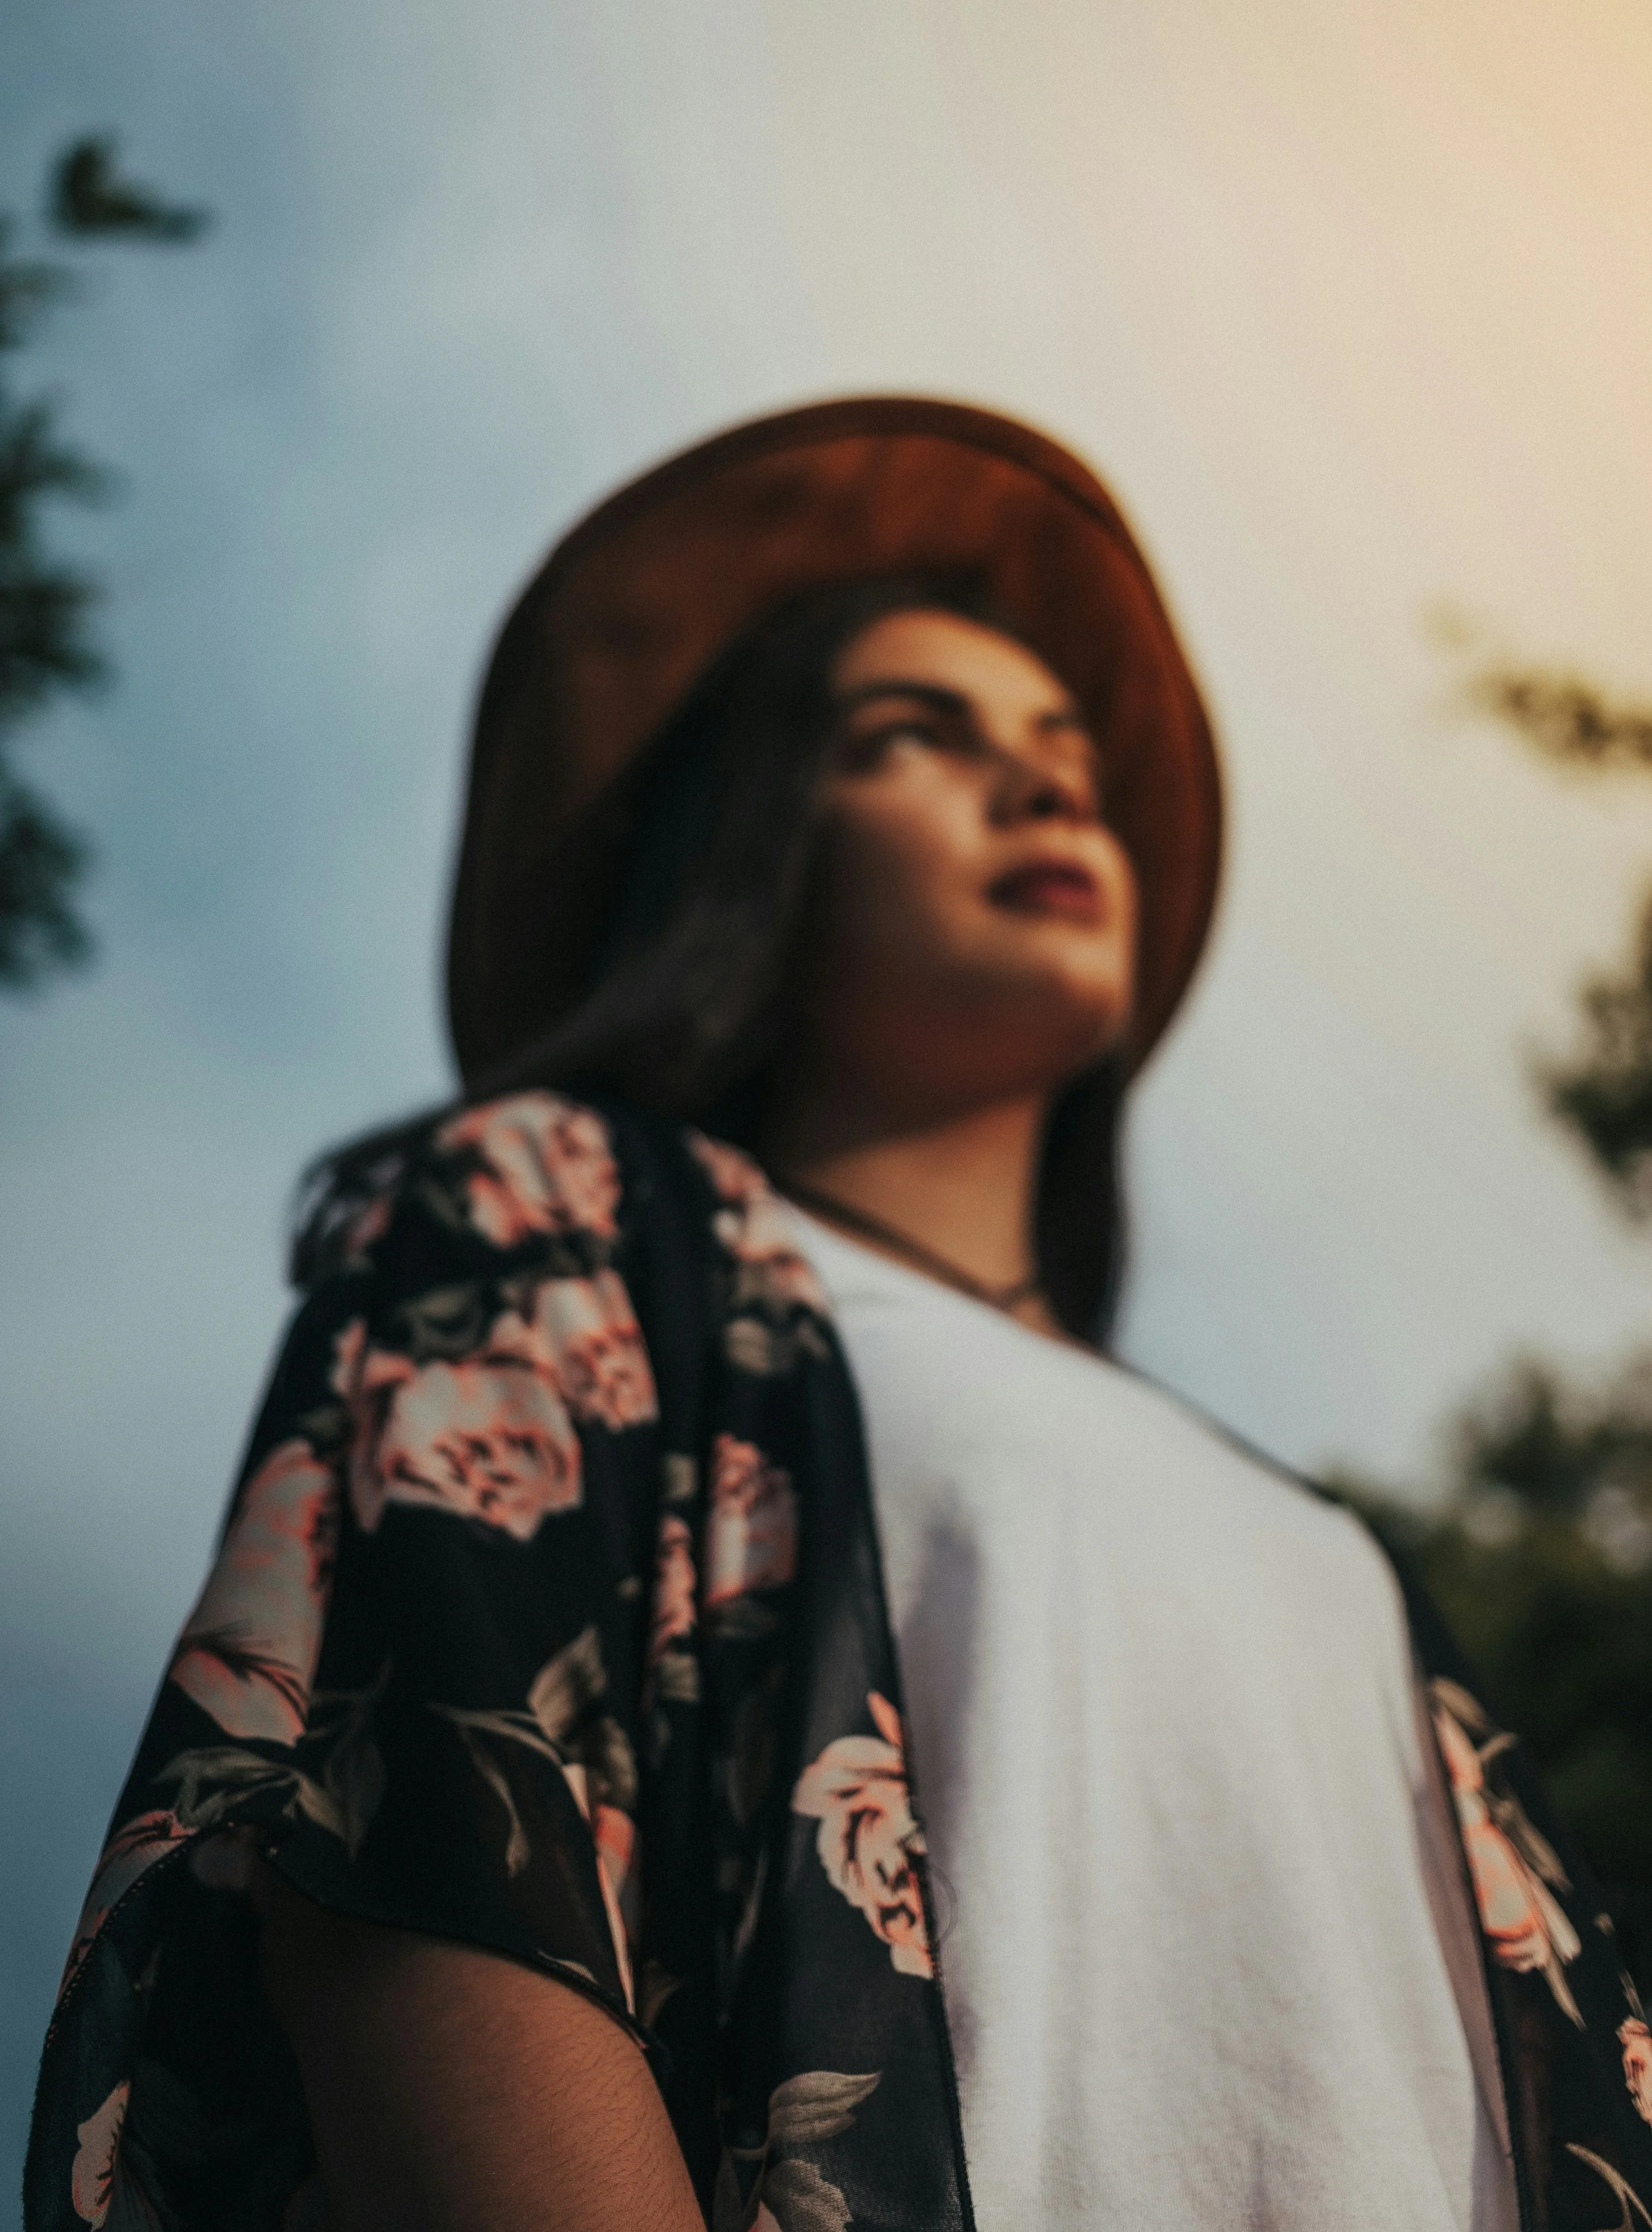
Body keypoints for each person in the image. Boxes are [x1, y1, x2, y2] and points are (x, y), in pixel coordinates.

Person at [25, 398, 1652, 2232]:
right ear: (749, 848)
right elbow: (426, 1854)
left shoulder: (1323, 1533)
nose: (1041, 784)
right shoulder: (561, 1217)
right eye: (912, 737)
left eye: (1064, 755)